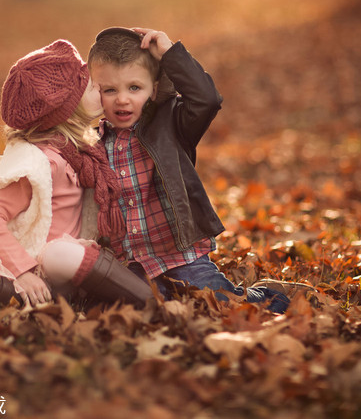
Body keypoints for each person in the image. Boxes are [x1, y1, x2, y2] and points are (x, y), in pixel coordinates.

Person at [87, 27, 290, 314]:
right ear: (95, 92)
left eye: (134, 88)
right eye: (110, 90)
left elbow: (207, 100)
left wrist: (171, 55)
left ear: (154, 88)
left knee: (218, 303)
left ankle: (271, 297)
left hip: (181, 256)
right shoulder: (90, 142)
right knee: (138, 309)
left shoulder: (170, 123)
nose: (122, 99)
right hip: (129, 262)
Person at [0, 39, 152, 309]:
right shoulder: (38, 163)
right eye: (91, 86)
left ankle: (147, 299)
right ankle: (19, 298)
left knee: (59, 255)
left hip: (63, 268)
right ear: (66, 109)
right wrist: (23, 271)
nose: (100, 87)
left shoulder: (83, 152)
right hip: (23, 266)